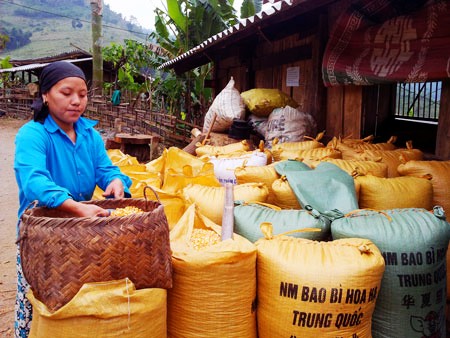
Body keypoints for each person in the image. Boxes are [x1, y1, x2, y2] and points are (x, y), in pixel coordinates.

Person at [13, 61, 132, 337]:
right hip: (42, 238)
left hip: (82, 235)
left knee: (77, 307)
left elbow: (106, 169)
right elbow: (34, 181)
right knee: (39, 307)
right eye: (66, 93)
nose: (76, 101)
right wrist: (76, 206)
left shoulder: (89, 135)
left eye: (82, 93)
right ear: (45, 95)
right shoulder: (33, 134)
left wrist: (116, 181)